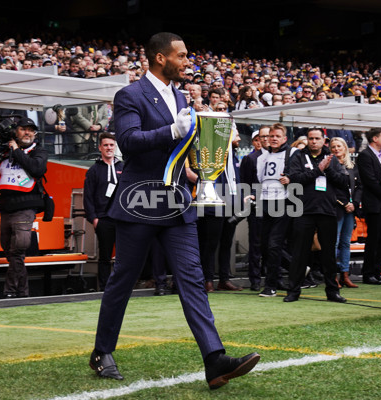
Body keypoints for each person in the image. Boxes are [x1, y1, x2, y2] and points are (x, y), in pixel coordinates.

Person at [89, 32, 259, 389]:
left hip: (176, 202)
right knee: (123, 281)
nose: (186, 61)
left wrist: (206, 143)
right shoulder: (130, 94)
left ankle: (214, 359)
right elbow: (130, 143)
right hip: (139, 202)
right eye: (180, 56)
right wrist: (172, 129)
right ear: (160, 58)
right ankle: (102, 351)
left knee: (192, 278)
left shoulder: (180, 96)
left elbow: (178, 149)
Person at [0, 117, 48, 298]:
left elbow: (37, 169)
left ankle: (9, 292)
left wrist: (17, 150)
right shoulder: (6, 150)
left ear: (35, 133)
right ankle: (23, 292)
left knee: (18, 250)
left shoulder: (39, 151)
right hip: (6, 208)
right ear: (15, 132)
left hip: (26, 207)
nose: (27, 133)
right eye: (23, 129)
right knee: (11, 254)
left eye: (31, 130)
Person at [284, 128, 348, 303]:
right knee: (299, 253)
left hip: (327, 211)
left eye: (317, 138)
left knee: (328, 254)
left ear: (323, 140)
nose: (313, 141)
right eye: (311, 138)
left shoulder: (331, 158)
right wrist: (317, 171)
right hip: (303, 210)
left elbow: (343, 182)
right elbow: (294, 179)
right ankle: (293, 291)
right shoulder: (297, 156)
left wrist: (327, 171)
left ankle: (332, 291)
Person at [197, 131, 243, 292]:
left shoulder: (234, 158)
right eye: (236, 135)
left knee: (227, 244)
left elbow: (238, 181)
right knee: (210, 244)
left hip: (231, 206)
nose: (239, 138)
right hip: (213, 206)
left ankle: (224, 278)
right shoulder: (213, 155)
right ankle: (207, 279)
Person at [256, 123, 295, 297]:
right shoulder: (261, 157)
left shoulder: (292, 154)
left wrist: (290, 179)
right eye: (271, 136)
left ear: (284, 138)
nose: (273, 139)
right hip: (266, 202)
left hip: (283, 201)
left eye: (277, 136)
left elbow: (301, 174)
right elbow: (260, 179)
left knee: (274, 245)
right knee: (265, 246)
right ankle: (294, 271)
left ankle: (270, 285)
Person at [83, 132, 123, 291]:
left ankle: (121, 286)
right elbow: (88, 196)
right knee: (105, 256)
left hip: (122, 219)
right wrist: (94, 219)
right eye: (105, 145)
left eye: (111, 145)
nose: (109, 148)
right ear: (100, 147)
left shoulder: (123, 167)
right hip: (103, 219)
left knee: (123, 256)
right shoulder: (93, 170)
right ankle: (105, 287)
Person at [357, 127, 381, 285]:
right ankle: (368, 272)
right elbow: (370, 180)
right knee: (374, 239)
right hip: (374, 204)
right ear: (375, 139)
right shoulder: (365, 155)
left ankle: (377, 271)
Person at [240, 127, 269, 291]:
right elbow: (244, 184)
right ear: (255, 140)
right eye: (260, 138)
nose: (264, 140)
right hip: (256, 205)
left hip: (272, 204)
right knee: (256, 244)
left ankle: (271, 276)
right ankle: (255, 279)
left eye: (267, 136)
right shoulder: (250, 158)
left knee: (271, 243)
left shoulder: (276, 157)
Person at [330, 137, 360, 288]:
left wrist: (354, 204)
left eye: (339, 146)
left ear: (345, 148)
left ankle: (345, 275)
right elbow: (330, 189)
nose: (336, 149)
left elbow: (359, 187)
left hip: (350, 209)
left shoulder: (352, 166)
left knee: (346, 242)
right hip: (336, 208)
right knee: (334, 242)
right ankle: (333, 275)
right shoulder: (329, 166)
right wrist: (343, 204)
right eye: (333, 147)